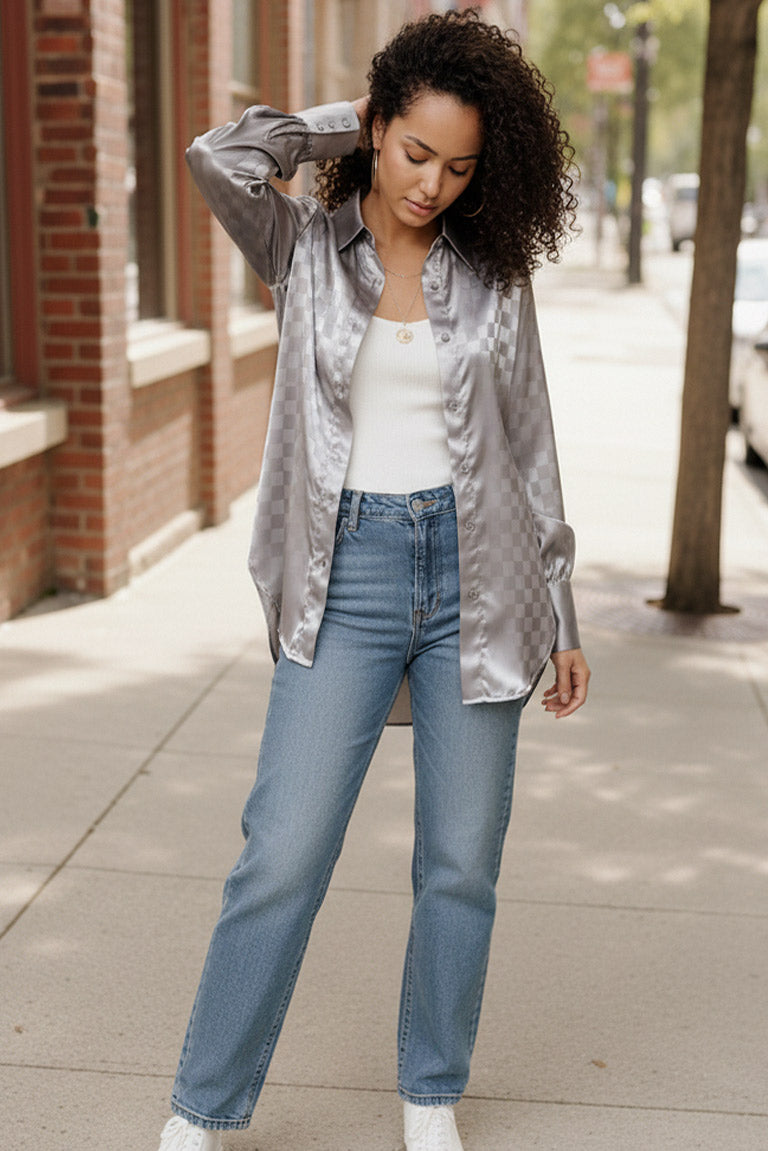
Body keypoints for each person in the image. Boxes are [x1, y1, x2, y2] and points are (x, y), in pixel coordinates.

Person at [156, 10, 590, 1151]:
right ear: (379, 128)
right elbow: (215, 154)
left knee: (460, 860)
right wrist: (348, 119)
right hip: (343, 576)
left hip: (479, 581)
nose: (431, 186)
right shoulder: (302, 246)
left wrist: (565, 606)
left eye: (459, 166)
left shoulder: (494, 273)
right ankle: (203, 1105)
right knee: (282, 849)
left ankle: (430, 1089)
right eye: (412, 152)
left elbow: (531, 441)